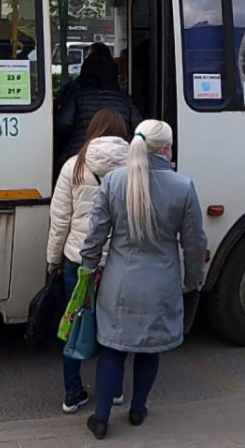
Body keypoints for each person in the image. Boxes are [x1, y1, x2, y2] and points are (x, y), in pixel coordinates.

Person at [79, 119, 208, 440]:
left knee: (113, 350)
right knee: (150, 350)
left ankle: (101, 418)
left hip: (118, 284)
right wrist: (195, 279)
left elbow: (95, 235)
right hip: (161, 285)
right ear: (165, 149)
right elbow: (195, 243)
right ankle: (137, 410)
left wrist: (87, 269)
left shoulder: (114, 182)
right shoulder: (182, 186)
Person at [46, 108, 131, 414]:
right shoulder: (136, 168)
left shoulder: (74, 166)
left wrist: (52, 260)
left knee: (74, 324)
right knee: (115, 327)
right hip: (119, 263)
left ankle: (72, 393)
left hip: (78, 262)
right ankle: (115, 390)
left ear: (93, 130)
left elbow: (60, 220)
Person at [55, 53, 143, 166]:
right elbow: (139, 127)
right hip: (119, 157)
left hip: (80, 154)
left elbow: (63, 123)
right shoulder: (124, 100)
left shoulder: (77, 97)